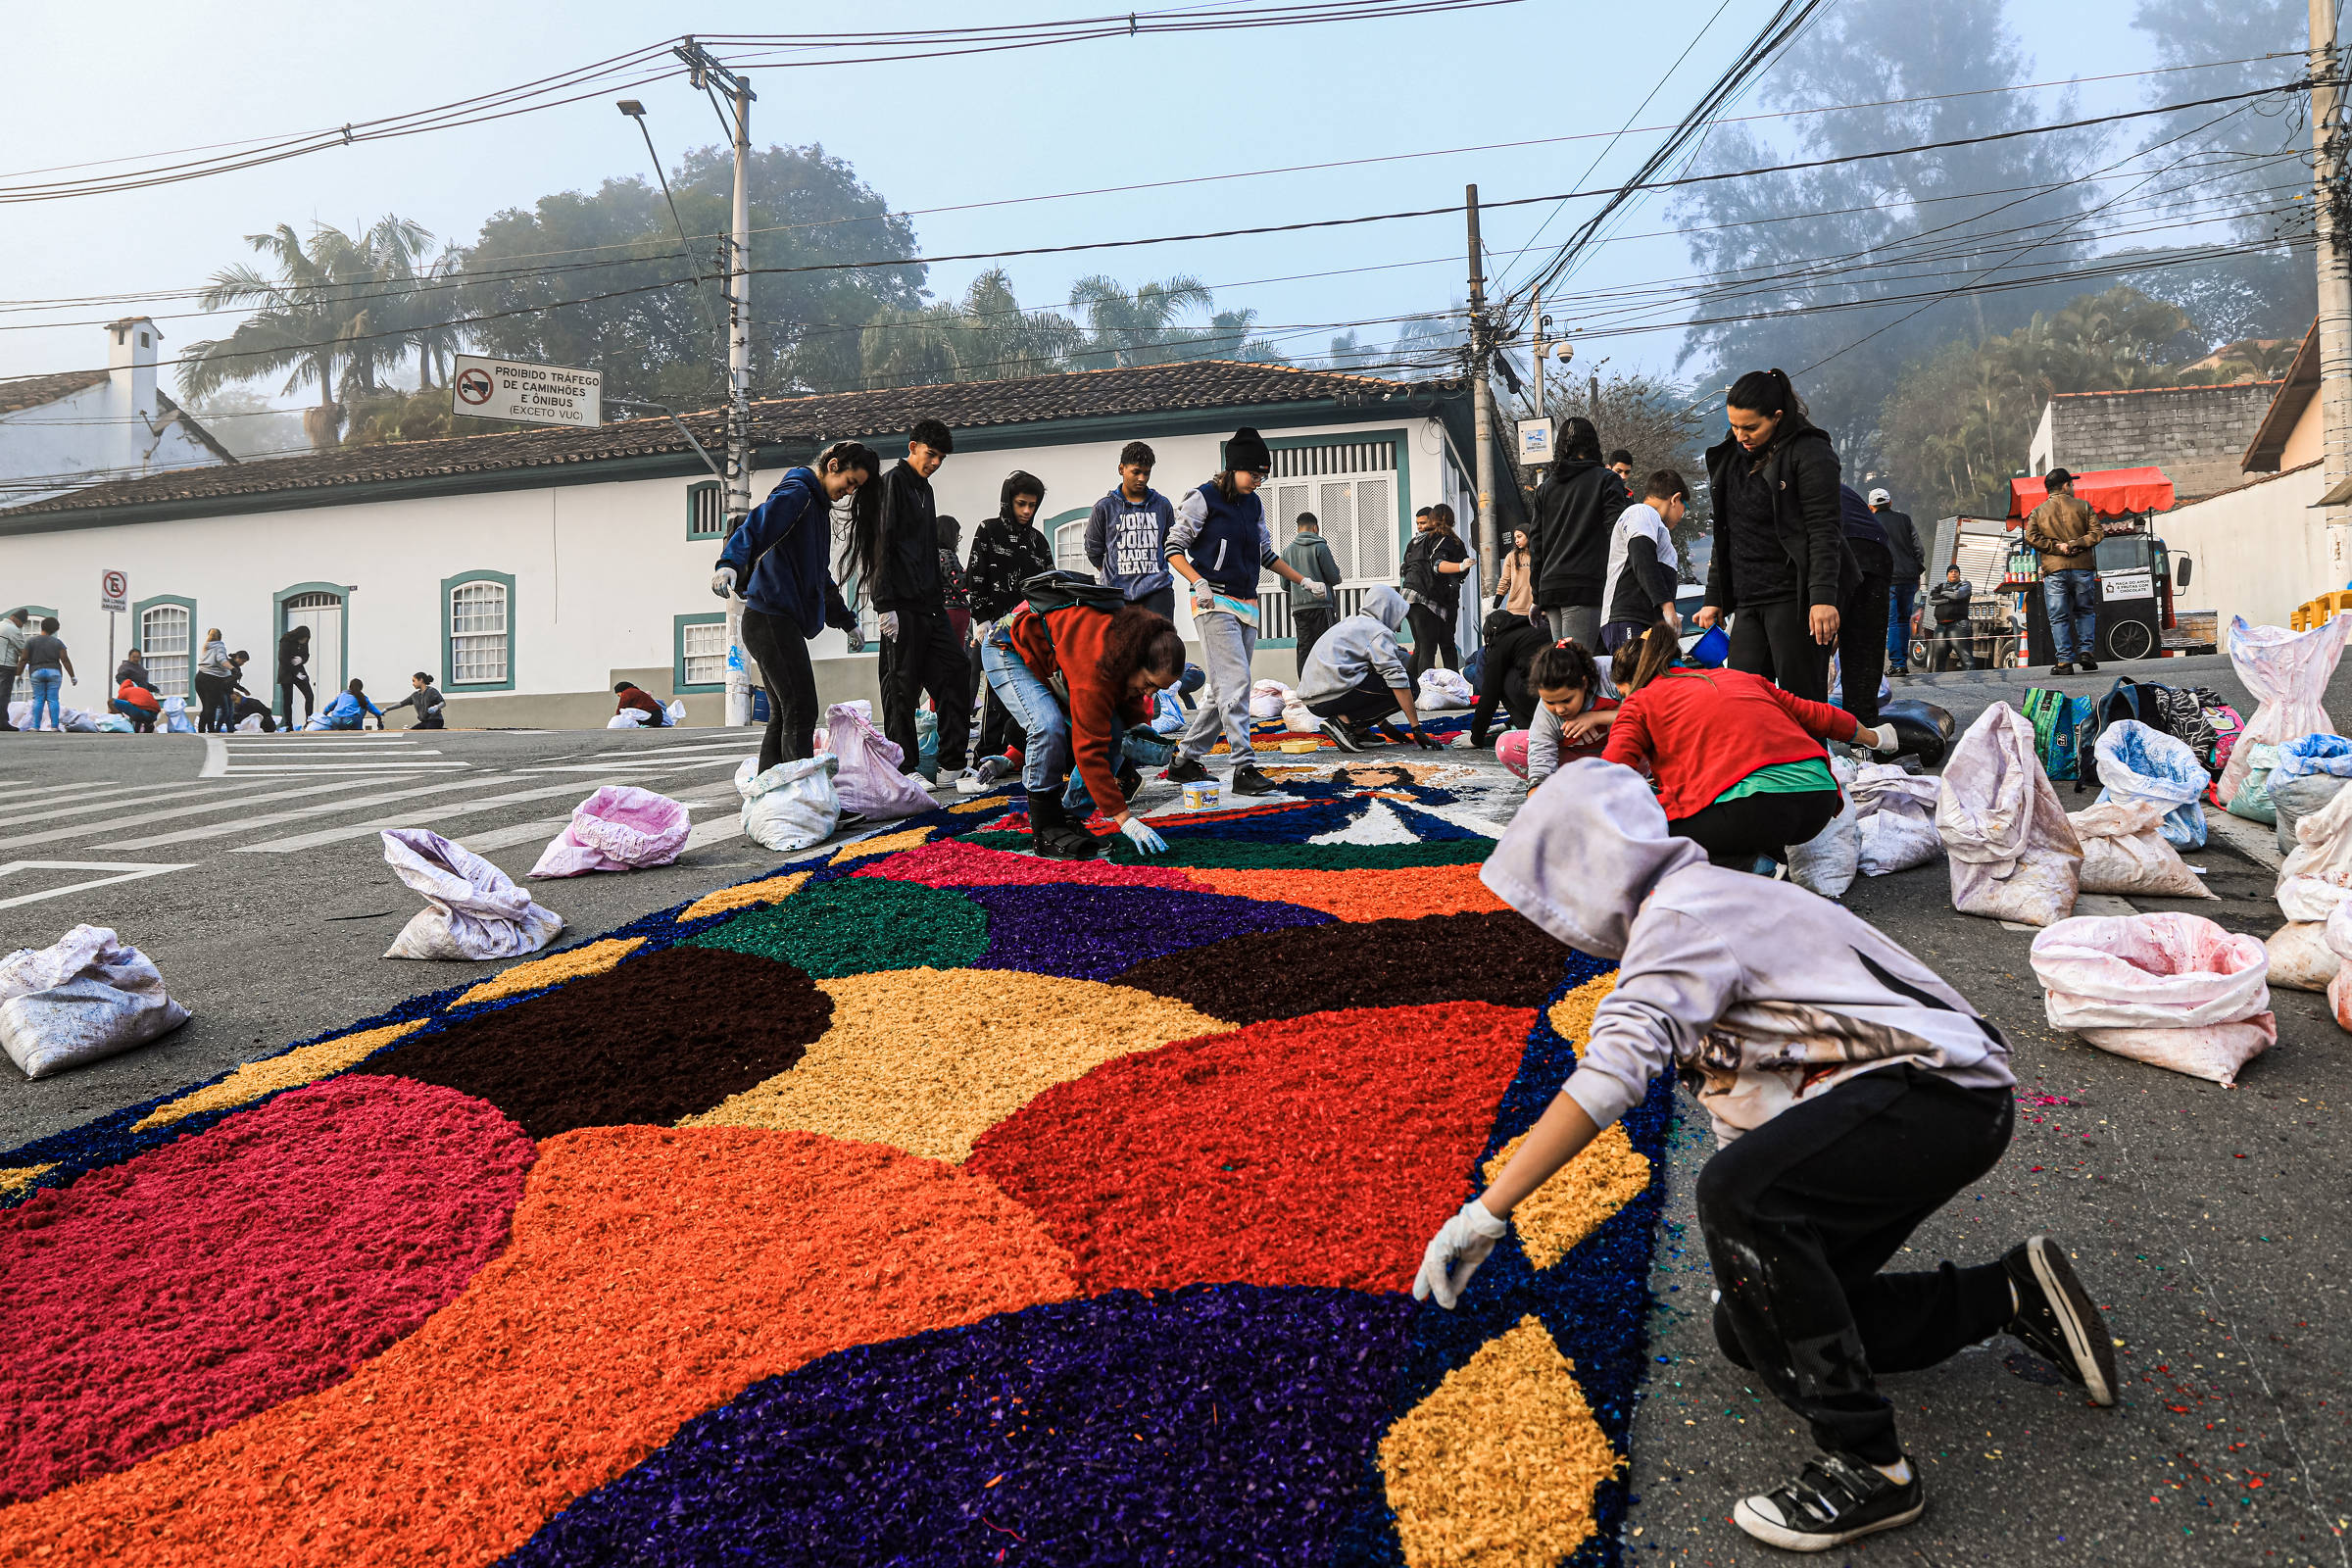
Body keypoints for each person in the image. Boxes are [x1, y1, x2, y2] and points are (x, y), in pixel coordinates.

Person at [1420, 759, 2116, 1553]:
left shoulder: (1682, 916)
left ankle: (1869, 1465)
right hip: (1935, 1105)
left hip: (1932, 1095)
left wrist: (1487, 1210)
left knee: (1739, 1198)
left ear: (1585, 866)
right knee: (1752, 1324)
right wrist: (1757, 1277)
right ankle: (2010, 1295)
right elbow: (1746, 1099)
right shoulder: (1702, 902)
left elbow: (1615, 1072)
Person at [1599, 621, 1897, 867]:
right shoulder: (1739, 678)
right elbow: (1817, 714)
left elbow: (1612, 776)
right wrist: (1877, 737)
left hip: (1752, 809)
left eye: (1623, 693)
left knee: (1639, 830)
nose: (1624, 700)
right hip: (1817, 801)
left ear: (1634, 682)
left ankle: (1750, 866)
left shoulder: (1639, 701)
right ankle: (1767, 856)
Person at [1163, 426, 1331, 797]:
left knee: (1221, 689)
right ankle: (1244, 766)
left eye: (1263, 475)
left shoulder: (1254, 505)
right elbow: (1173, 547)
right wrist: (1198, 581)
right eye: (1254, 473)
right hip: (1213, 601)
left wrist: (1304, 581)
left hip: (1247, 604)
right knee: (1238, 683)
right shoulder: (1202, 498)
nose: (1258, 481)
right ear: (1234, 467)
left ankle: (1184, 761)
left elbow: (1265, 555)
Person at [984, 594, 1187, 860]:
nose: (1149, 693)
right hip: (1008, 648)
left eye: (1157, 689)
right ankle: (1045, 827)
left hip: (1053, 657)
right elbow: (1088, 748)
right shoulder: (1096, 663)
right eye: (1149, 683)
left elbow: (1125, 719)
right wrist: (1125, 819)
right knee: (1047, 726)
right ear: (1135, 661)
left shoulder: (1139, 645)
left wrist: (1138, 728)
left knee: (1119, 735)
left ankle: (1070, 817)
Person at [1693, 368, 1850, 705]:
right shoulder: (1731, 460)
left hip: (1794, 599)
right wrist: (1713, 598)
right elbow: (1727, 532)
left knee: (1802, 706)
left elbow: (1824, 529)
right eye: (1734, 426)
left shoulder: (1810, 453)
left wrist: (1823, 598)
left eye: (1750, 427)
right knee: (1743, 702)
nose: (1740, 436)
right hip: (1748, 599)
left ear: (1777, 417)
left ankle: (1812, 758)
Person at [719, 440, 877, 774]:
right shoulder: (798, 494)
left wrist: (847, 622)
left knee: (784, 711)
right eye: (849, 482)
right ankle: (803, 795)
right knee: (801, 708)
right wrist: (729, 563)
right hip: (770, 619)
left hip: (773, 621)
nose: (848, 493)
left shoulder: (816, 508)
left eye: (855, 489)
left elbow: (819, 577)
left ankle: (771, 795)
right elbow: (756, 526)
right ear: (832, 465)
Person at [859, 418, 970, 781]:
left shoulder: (926, 490)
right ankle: (905, 768)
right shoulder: (892, 483)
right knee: (901, 688)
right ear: (912, 447)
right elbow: (880, 544)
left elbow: (926, 549)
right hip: (899, 606)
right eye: (930, 454)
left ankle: (952, 763)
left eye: (941, 458)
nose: (935, 462)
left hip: (931, 606)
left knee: (956, 670)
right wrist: (883, 604)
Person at [961, 469, 1054, 791]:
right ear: (1008, 502)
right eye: (1021, 504)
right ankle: (987, 754)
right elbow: (974, 576)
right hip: (994, 631)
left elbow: (1049, 586)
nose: (1027, 511)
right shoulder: (987, 531)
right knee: (996, 695)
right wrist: (981, 618)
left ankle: (1019, 752)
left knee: (1029, 692)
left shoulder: (1038, 542)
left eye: (1033, 505)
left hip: (1030, 631)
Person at [1296, 584, 1439, 753]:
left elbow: (1368, 677)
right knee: (1411, 686)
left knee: (1378, 676)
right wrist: (1416, 729)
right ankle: (1342, 723)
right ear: (1389, 610)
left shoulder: (1351, 623)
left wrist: (1382, 724)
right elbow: (1397, 680)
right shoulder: (1378, 631)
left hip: (1314, 700)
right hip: (1330, 695)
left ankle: (1358, 732)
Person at [1529, 416, 1632, 648]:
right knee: (1577, 666)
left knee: (1565, 664)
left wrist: (1537, 595)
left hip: (1551, 589)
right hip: (1584, 586)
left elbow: (1536, 545)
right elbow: (1616, 533)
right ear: (1593, 444)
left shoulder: (1545, 488)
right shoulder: (1607, 481)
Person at [1086, 440, 1180, 619]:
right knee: (1122, 647)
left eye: (1146, 473)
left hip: (1157, 590)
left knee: (1161, 645)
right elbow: (1093, 551)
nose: (1142, 479)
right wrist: (1113, 574)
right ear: (1121, 469)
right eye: (1136, 472)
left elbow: (1169, 545)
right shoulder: (1104, 508)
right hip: (1116, 595)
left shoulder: (1162, 505)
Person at [1508, 639, 1620, 791]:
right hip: (1583, 761)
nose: (1559, 710)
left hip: (1625, 758)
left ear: (1584, 683)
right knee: (1507, 745)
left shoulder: (1610, 672)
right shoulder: (1546, 713)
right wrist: (1536, 796)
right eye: (1550, 702)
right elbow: (1541, 755)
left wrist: (1596, 717)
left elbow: (1647, 710)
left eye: (1566, 700)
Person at [2023, 467, 2104, 674]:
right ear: (2066, 485)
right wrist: (2077, 543)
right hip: (2082, 568)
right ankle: (2086, 652)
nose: (2073, 488)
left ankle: (2064, 662)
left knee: (2058, 616)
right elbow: (2097, 533)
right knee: (2084, 611)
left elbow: (2031, 537)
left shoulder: (2038, 512)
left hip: (2055, 570)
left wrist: (2056, 547)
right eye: (2072, 484)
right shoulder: (2083, 507)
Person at [1598, 470, 1688, 655]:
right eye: (1684, 506)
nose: (1682, 514)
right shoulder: (1641, 512)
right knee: (1637, 680)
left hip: (1644, 620)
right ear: (1675, 499)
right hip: (1630, 617)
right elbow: (1642, 557)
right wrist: (1668, 607)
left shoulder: (1652, 522)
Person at [1834, 484, 1892, 732]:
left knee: (1810, 648)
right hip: (1876, 551)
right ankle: (1864, 732)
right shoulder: (1838, 485)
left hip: (1836, 546)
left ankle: (1810, 737)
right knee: (1864, 650)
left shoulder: (1777, 477)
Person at [1400, 504, 1471, 678]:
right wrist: (1461, 566)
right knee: (1434, 646)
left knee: (1423, 646)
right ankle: (1429, 689)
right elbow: (1438, 565)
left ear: (1432, 519)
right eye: (1418, 524)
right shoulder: (1443, 540)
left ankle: (1410, 689)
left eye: (1424, 522)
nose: (1421, 527)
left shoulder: (1416, 541)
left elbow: (1404, 567)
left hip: (1411, 596)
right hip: (1431, 598)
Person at [1466, 607, 1551, 749]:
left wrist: (1476, 738)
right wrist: (1507, 723)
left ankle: (1526, 728)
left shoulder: (1502, 642)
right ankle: (1521, 724)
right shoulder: (1537, 628)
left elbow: (1490, 694)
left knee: (1499, 679)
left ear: (1492, 632)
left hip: (1542, 701)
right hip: (1566, 698)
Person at [1281, 510, 1345, 676]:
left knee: (1304, 648)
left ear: (1298, 529)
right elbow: (1333, 576)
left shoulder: (1288, 551)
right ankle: (1329, 686)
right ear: (1315, 528)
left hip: (1299, 609)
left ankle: (1305, 688)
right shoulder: (1320, 547)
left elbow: (1284, 584)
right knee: (1327, 645)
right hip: (1322, 606)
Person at [1872, 488, 1924, 676]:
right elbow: (1919, 549)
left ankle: (1897, 664)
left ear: (1871, 507)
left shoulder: (1871, 521)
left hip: (1889, 579)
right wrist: (1917, 571)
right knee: (1903, 620)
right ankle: (1903, 662)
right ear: (1890, 503)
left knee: (1892, 622)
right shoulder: (1905, 519)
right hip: (1909, 577)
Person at [21, 616, 73, 732]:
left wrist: (18, 674)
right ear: (54, 630)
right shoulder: (58, 642)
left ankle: (35, 726)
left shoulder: (31, 641)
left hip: (36, 671)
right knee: (53, 699)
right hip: (54, 672)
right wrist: (72, 676)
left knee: (38, 699)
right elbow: (65, 660)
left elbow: (24, 659)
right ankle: (54, 726)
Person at [1928, 564, 1974, 672]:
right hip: (1940, 626)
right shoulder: (1940, 585)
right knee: (1938, 659)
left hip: (1958, 625)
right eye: (1951, 571)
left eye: (1956, 571)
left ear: (1959, 574)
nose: (1953, 573)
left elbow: (1957, 595)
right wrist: (1949, 599)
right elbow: (1930, 600)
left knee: (1966, 658)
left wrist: (1942, 594)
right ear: (1947, 574)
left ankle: (1971, 684)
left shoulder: (1965, 584)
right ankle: (1937, 685)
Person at [937, 515, 972, 649]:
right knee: (956, 655)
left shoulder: (930, 555)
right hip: (954, 610)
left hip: (942, 611)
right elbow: (963, 586)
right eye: (957, 535)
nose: (958, 540)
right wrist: (972, 571)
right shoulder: (947, 555)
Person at [194, 626, 235, 733]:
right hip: (212, 679)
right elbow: (221, 659)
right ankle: (211, 730)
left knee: (206, 706)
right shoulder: (219, 646)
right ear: (220, 637)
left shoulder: (206, 647)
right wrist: (232, 668)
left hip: (200, 677)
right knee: (211, 706)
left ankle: (201, 729)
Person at [111, 648, 161, 733]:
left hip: (143, 695)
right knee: (134, 711)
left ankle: (146, 725)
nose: (136, 659)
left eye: (138, 657)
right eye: (134, 657)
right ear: (129, 657)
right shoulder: (125, 667)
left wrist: (154, 688)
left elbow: (144, 683)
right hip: (131, 695)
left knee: (145, 711)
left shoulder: (141, 669)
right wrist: (130, 686)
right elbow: (119, 678)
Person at [1494, 526, 1537, 621]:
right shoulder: (1511, 556)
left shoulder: (1539, 555)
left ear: (1529, 536)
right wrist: (1495, 605)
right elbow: (1505, 581)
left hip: (1538, 609)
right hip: (1516, 609)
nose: (1517, 541)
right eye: (1515, 538)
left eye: (1519, 536)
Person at [276, 624, 315, 729]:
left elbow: (306, 655)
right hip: (287, 672)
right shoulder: (285, 641)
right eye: (303, 639)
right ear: (298, 636)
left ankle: (309, 721)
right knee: (288, 700)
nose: (304, 642)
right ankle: (289, 724)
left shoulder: (304, 642)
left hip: (299, 670)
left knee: (309, 696)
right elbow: (282, 659)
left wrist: (302, 659)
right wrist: (295, 673)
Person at [382, 672, 447, 730]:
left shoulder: (431, 691)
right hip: (425, 722)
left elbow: (443, 703)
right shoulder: (415, 695)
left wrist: (436, 707)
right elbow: (401, 703)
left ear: (421, 680)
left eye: (414, 681)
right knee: (412, 732)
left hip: (436, 720)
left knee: (427, 734)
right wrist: (387, 709)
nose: (413, 684)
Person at [317, 677, 383, 731]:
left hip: (335, 720)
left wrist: (323, 716)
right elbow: (373, 710)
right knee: (363, 708)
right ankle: (358, 729)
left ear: (349, 686)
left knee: (341, 722)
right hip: (349, 722)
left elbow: (329, 707)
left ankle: (339, 729)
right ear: (361, 688)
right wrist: (379, 717)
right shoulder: (362, 697)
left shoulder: (342, 694)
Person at [0, 606, 28, 731]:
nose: (21, 627)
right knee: (3, 695)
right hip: (6, 666)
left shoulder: (1, 625)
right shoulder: (13, 630)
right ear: (18, 620)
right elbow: (24, 651)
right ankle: (2, 722)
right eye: (22, 624)